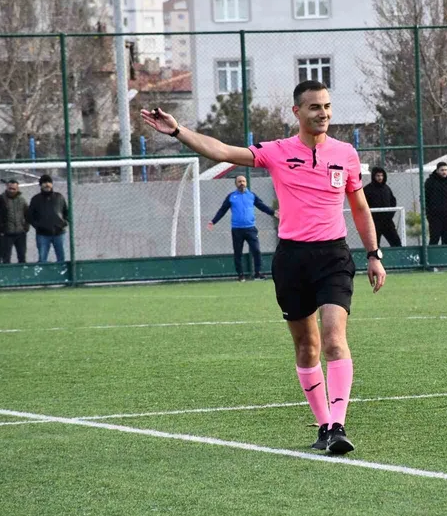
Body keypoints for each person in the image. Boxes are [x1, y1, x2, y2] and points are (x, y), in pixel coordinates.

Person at [140, 80, 386, 455]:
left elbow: (360, 208)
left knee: (334, 339)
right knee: (307, 347)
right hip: (292, 259)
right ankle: (323, 425)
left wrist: (373, 254)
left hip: (334, 257)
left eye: (327, 106)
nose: (323, 113)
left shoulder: (346, 154)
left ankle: (338, 425)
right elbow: (222, 151)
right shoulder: (277, 151)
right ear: (297, 112)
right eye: (314, 107)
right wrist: (178, 131)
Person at [208, 174, 278, 282]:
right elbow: (222, 210)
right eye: (239, 181)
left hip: (251, 229)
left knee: (256, 250)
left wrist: (273, 213)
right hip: (237, 230)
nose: (242, 183)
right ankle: (240, 275)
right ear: (236, 184)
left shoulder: (252, 195)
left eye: (243, 181)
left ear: (246, 183)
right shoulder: (231, 197)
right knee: (238, 253)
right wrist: (213, 221)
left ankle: (258, 274)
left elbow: (262, 206)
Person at [28, 174, 68, 263]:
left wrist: (64, 223)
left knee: (61, 258)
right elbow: (30, 216)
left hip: (59, 233)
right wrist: (38, 226)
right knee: (42, 259)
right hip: (42, 234)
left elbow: (66, 211)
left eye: (49, 182)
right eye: (44, 182)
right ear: (40, 185)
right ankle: (42, 272)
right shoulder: (35, 199)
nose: (47, 184)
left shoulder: (59, 197)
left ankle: (62, 272)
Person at [363, 167, 402, 247]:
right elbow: (363, 205)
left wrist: (390, 215)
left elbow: (393, 201)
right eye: (378, 176)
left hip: (387, 222)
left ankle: (398, 255)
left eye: (381, 175)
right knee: (374, 246)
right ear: (374, 176)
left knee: (396, 243)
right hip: (374, 223)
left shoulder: (386, 188)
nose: (380, 178)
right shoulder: (367, 189)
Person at [2, 180, 30, 264]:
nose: (11, 190)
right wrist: (1, 229)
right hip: (6, 233)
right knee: (6, 257)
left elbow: (27, 214)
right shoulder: (1, 199)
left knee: (22, 256)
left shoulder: (22, 199)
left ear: (17, 189)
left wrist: (26, 227)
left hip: (20, 233)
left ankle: (23, 271)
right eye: (10, 188)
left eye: (14, 189)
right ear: (7, 187)